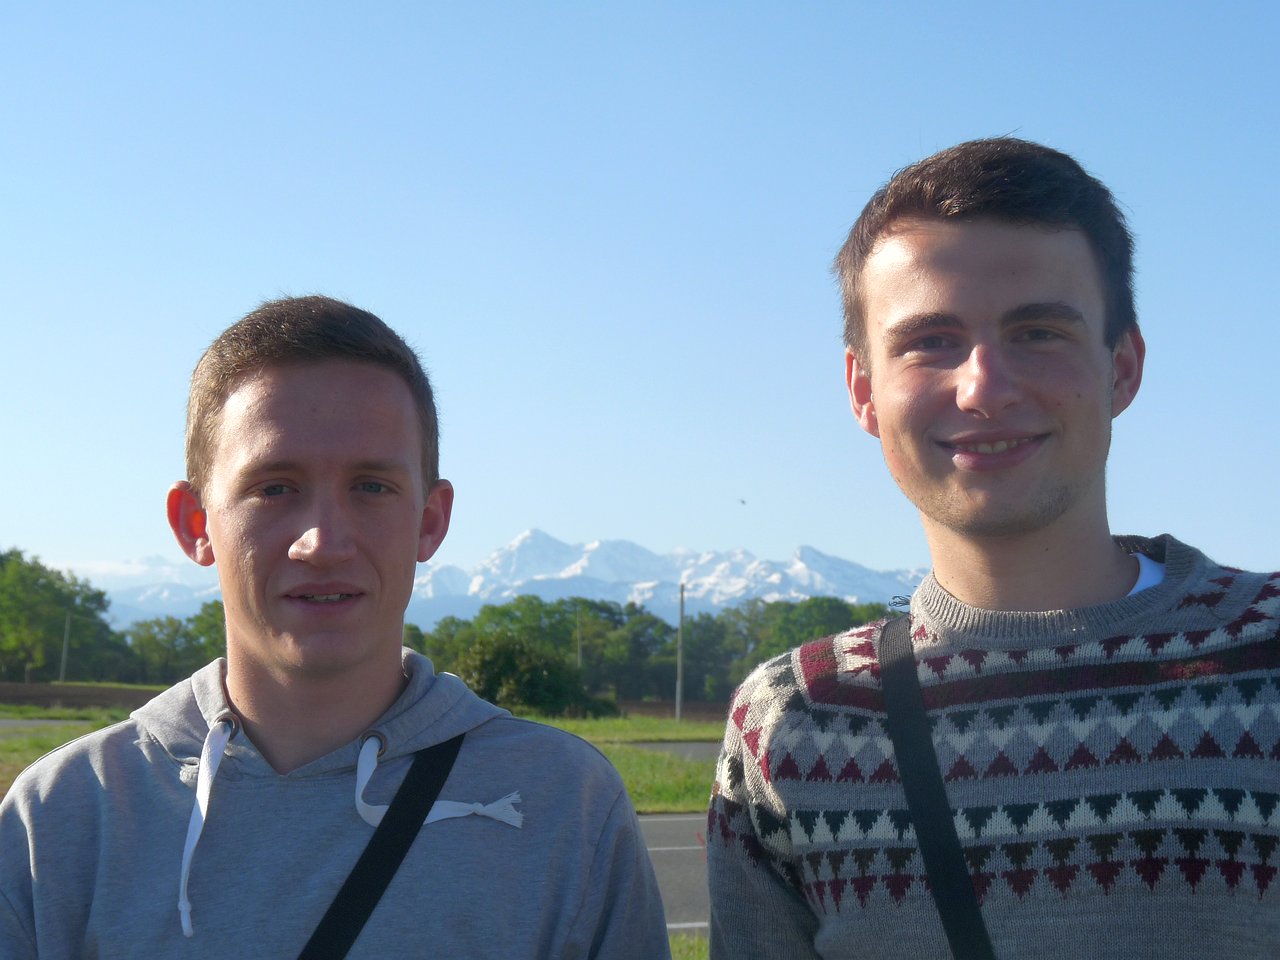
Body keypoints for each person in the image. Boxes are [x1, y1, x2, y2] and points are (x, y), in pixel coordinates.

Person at [706, 138, 1280, 958]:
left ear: (1123, 368)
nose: (984, 387)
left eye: (1038, 332)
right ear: (863, 390)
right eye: (929, 341)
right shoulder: (795, 722)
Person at [0, 296, 670, 959]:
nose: (323, 543)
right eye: (274, 487)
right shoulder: (64, 819)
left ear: (430, 521)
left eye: (371, 486)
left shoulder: (563, 807)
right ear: (195, 524)